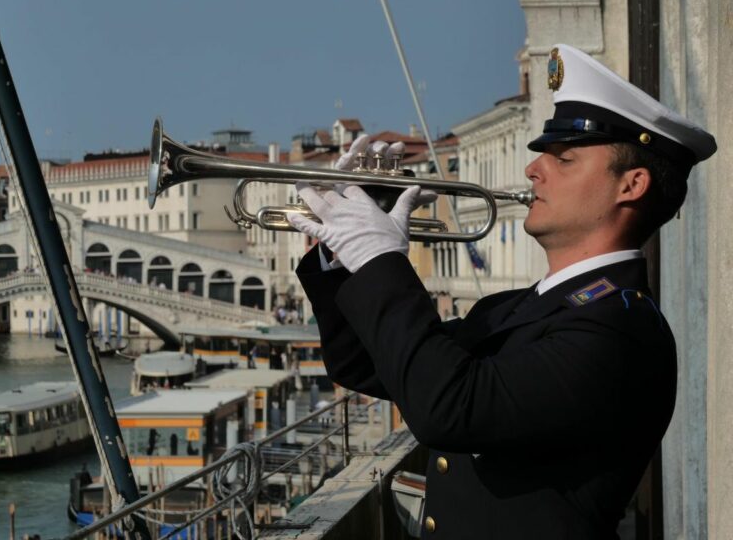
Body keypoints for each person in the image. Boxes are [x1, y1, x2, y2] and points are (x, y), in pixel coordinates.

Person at [287, 43, 717, 539]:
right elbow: (366, 363)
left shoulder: (619, 330)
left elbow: (448, 409)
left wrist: (381, 259)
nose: (534, 170)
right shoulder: (518, 308)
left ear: (632, 185)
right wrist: (341, 255)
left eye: (566, 158)